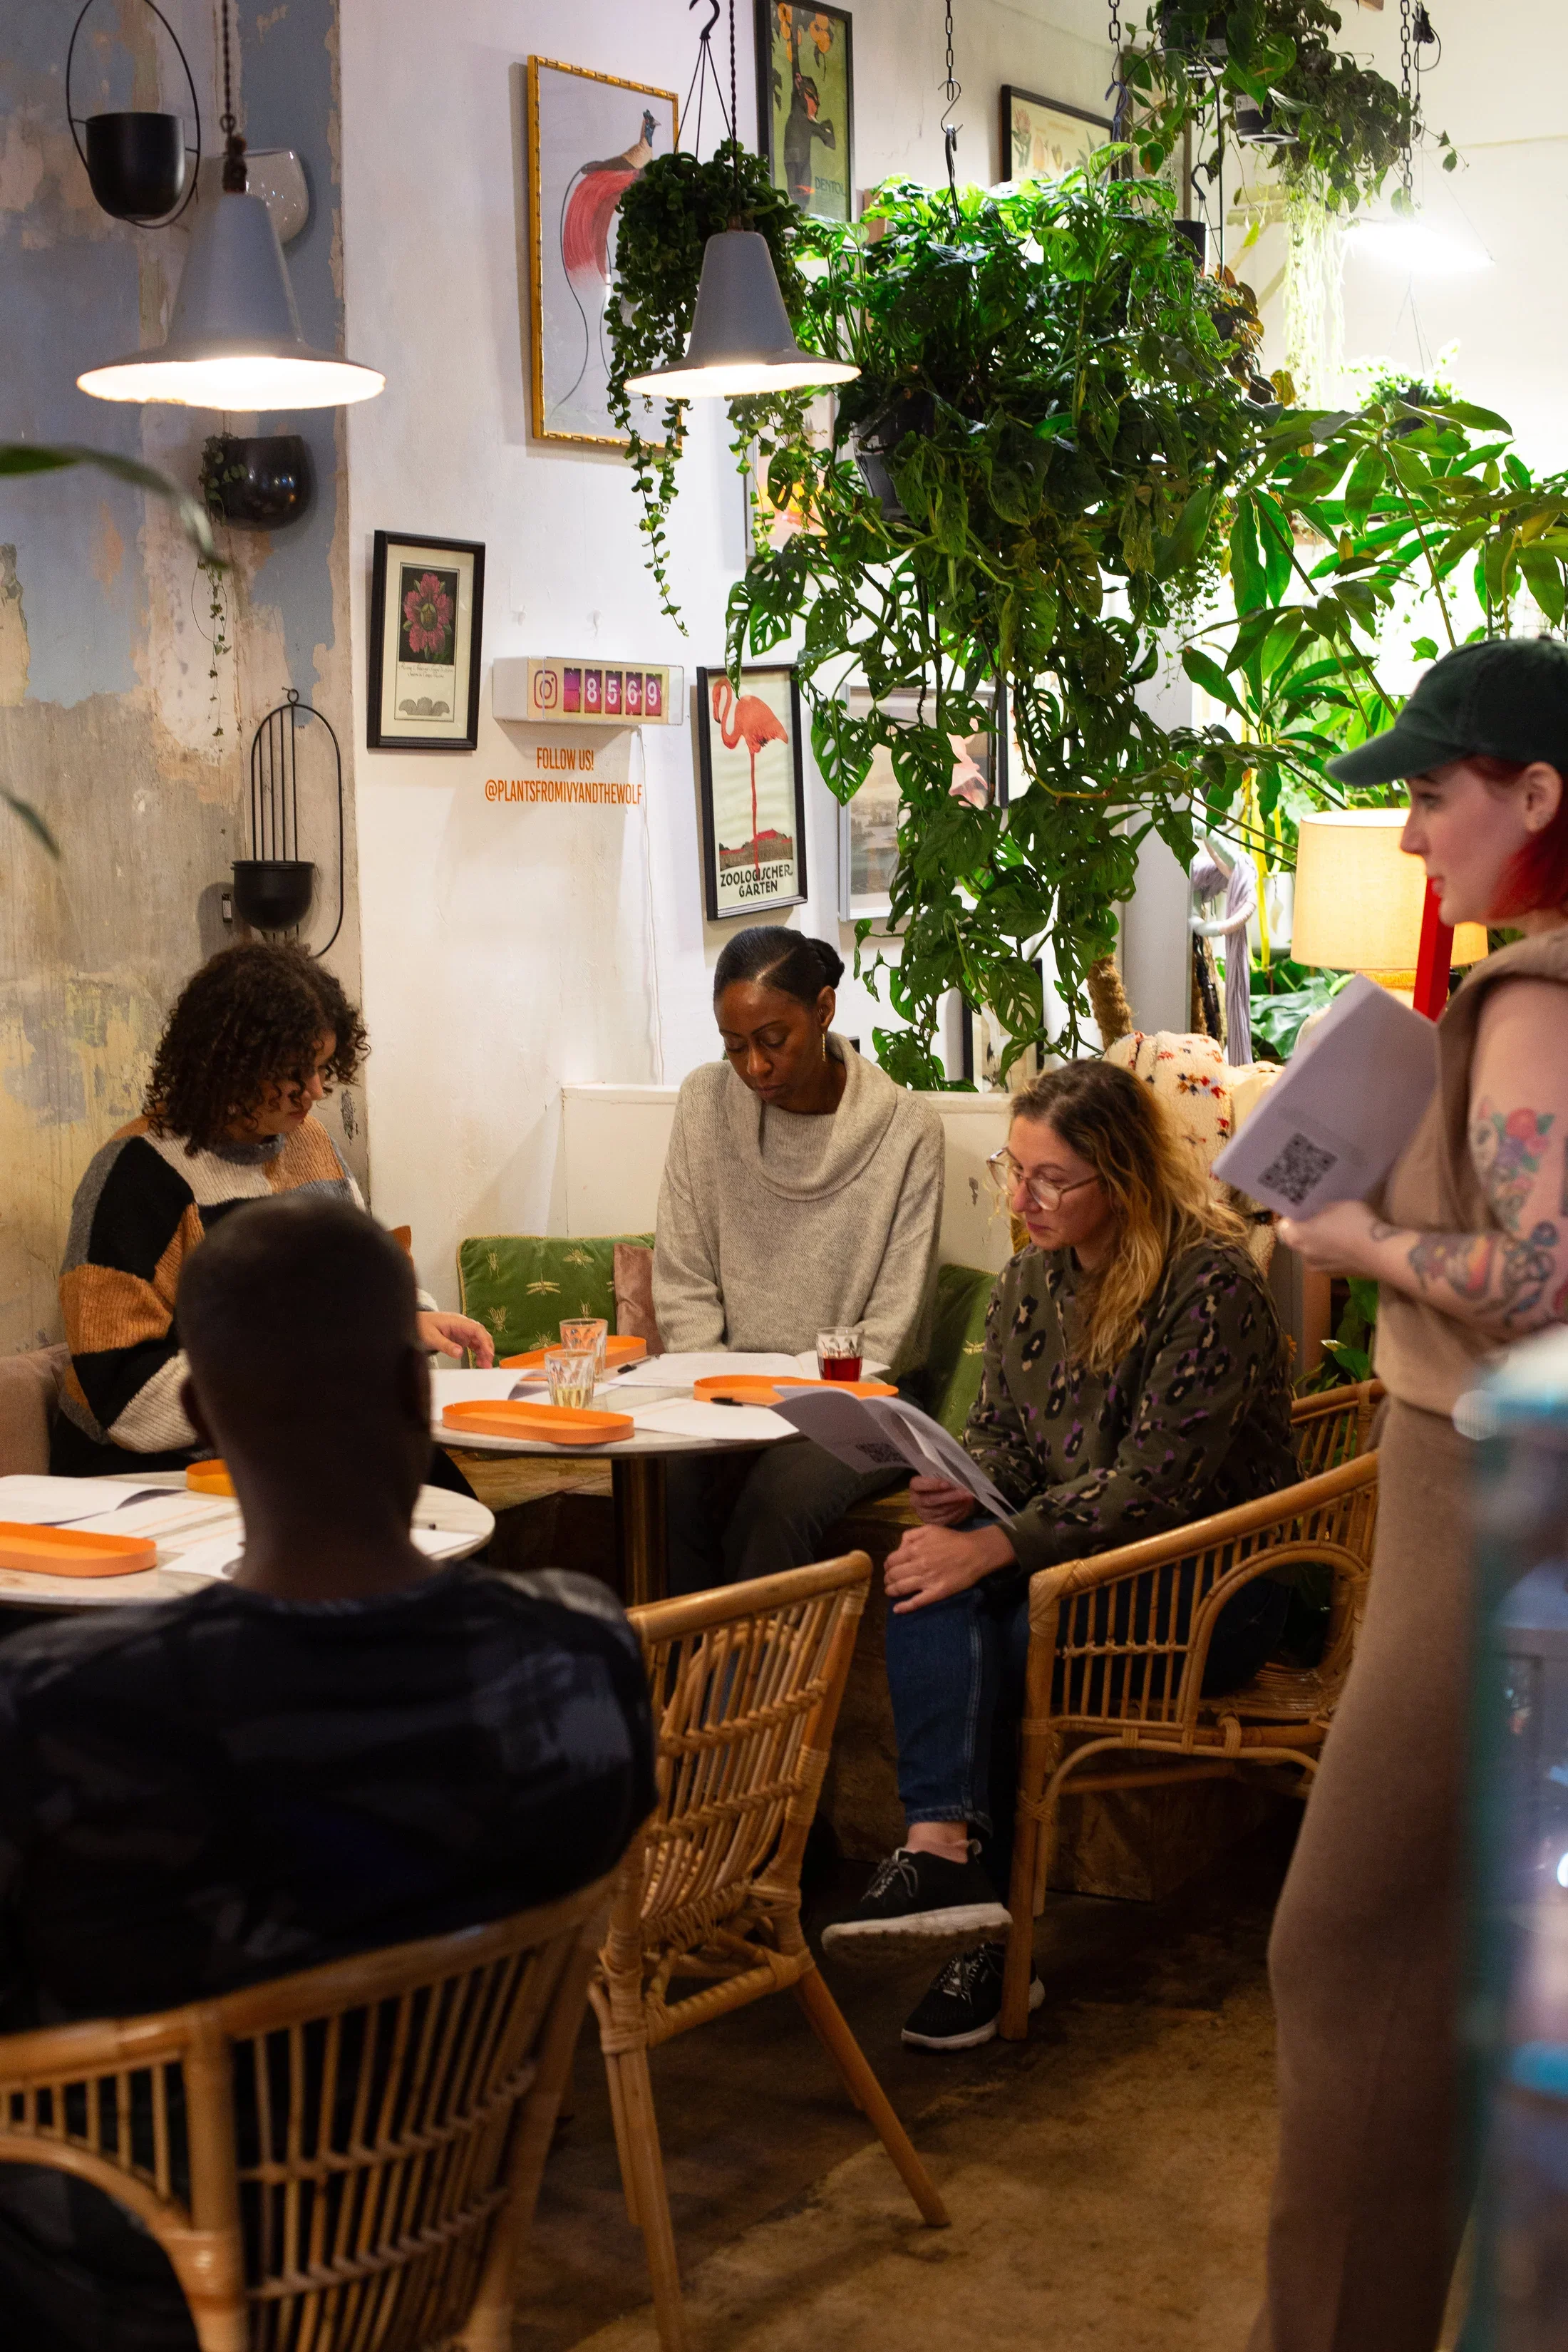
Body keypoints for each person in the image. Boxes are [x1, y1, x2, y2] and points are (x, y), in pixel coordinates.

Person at [0, 1192, 655, 2351]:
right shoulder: (580, 1659)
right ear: (421, 1392)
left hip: (136, 2283)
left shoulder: (67, 1723)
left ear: (201, 1413)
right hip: (431, 2241)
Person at [1248, 637, 1568, 2352]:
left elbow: (1541, 1281)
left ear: (1535, 794)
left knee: (1352, 1945)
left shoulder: (1531, 993)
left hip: (1487, 1501)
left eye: (1432, 794)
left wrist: (1361, 1234)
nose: (1409, 833)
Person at [822, 1061, 1299, 2052]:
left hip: (1223, 1584)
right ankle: (943, 1849)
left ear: (1120, 1180)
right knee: (927, 1569)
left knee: (991, 1607)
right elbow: (1002, 1433)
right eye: (1014, 1169)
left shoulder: (1208, 1285)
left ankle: (985, 1936)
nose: (1022, 1199)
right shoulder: (1030, 1283)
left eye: (1051, 1180)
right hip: (1082, 1564)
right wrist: (960, 1483)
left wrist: (995, 1543)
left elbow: (1156, 1486)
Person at [51, 939, 491, 1478]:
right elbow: (125, 1397)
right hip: (164, 1467)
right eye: (293, 1071)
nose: (313, 1092)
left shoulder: (309, 1142)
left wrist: (408, 1318)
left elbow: (364, 1276)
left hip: (295, 1433)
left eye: (322, 1068)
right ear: (227, 1064)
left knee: (441, 1494)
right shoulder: (137, 1176)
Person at [654, 927, 944, 1591]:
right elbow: (683, 1280)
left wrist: (782, 1407)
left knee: (775, 1503)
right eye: (734, 1047)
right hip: (724, 1390)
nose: (754, 1067)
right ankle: (680, 1683)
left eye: (772, 1041)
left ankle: (756, 1693)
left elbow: (892, 1332)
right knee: (669, 1481)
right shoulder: (705, 1104)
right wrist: (725, 1395)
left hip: (861, 1400)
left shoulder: (908, 1132)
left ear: (823, 1010)